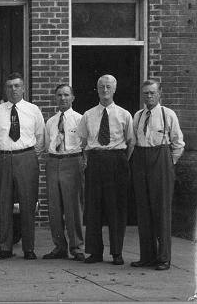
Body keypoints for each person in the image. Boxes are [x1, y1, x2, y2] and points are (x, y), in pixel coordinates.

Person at [0, 72, 44, 260]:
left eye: (17, 86)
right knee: (3, 204)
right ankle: (5, 248)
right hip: (2, 158)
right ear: (5, 89)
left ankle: (29, 248)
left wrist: (27, 156)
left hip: (26, 157)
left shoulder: (33, 110)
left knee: (28, 204)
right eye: (9, 86)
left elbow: (40, 137)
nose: (13, 90)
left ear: (23, 88)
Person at [77, 74, 134, 265]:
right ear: (97, 89)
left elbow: (130, 142)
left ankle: (117, 252)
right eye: (101, 87)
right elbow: (83, 141)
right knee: (93, 208)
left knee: (116, 207)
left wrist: (119, 160)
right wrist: (89, 161)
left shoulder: (125, 115)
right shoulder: (88, 115)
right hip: (95, 160)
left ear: (115, 89)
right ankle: (94, 252)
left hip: (117, 160)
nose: (105, 90)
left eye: (109, 87)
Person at [130, 79, 184, 271]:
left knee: (161, 211)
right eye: (146, 93)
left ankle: (163, 258)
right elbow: (134, 141)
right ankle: (147, 256)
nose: (149, 96)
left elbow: (178, 143)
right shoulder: (137, 115)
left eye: (152, 93)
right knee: (143, 211)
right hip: (141, 159)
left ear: (160, 93)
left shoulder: (168, 114)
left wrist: (169, 164)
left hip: (161, 161)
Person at [39, 84, 85, 261]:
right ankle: (59, 246)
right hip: (53, 161)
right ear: (55, 98)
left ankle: (77, 247)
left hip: (72, 161)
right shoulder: (51, 122)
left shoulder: (80, 119)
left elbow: (85, 144)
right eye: (59, 95)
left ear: (73, 98)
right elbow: (46, 143)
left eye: (66, 95)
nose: (63, 98)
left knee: (73, 206)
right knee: (54, 207)